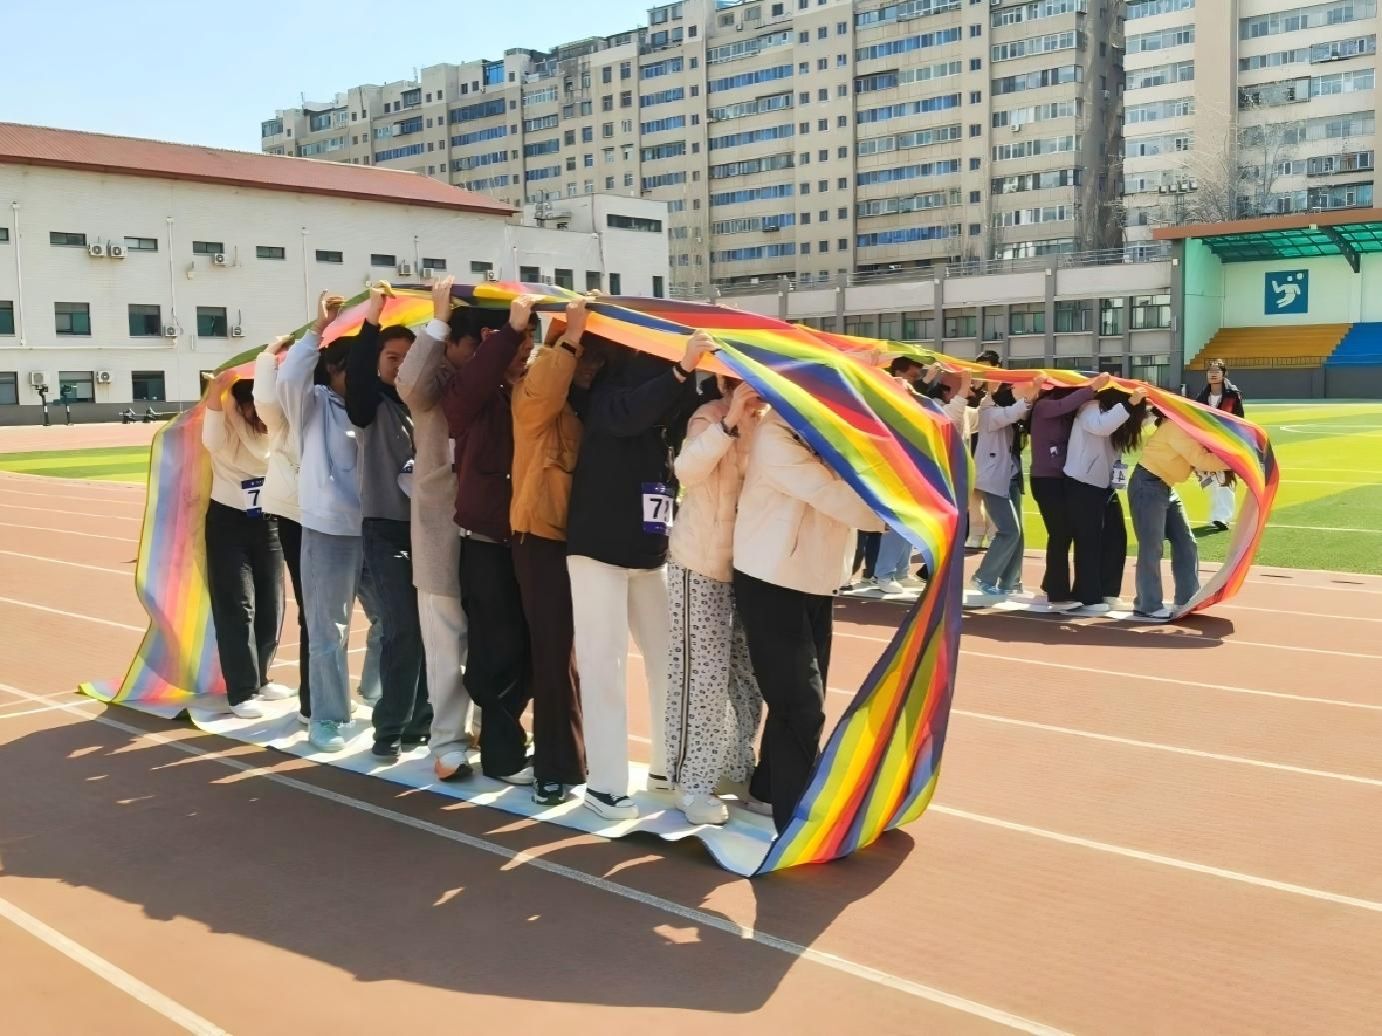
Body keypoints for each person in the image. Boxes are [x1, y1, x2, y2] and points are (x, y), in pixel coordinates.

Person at [565, 332, 706, 820]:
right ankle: (605, 785)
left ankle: (666, 767)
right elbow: (628, 413)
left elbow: (684, 417)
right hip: (597, 550)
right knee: (604, 665)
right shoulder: (608, 390)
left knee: (669, 659)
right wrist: (680, 371)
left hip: (649, 552)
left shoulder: (667, 405)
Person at [733, 409, 885, 832]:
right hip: (770, 579)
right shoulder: (775, 434)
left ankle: (768, 789)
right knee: (801, 703)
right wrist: (900, 517)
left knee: (796, 699)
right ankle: (797, 815)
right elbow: (830, 494)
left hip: (817, 581)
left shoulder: (830, 433)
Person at [441, 294, 540, 784]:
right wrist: (508, 333)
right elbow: (473, 384)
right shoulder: (471, 394)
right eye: (520, 345)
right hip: (484, 541)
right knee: (496, 651)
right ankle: (502, 757)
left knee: (528, 651)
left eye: (529, 346)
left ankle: (505, 737)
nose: (526, 355)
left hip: (526, 539)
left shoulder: (524, 392)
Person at [510, 294, 604, 806]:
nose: (586, 364)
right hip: (539, 538)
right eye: (579, 355)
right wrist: (569, 337)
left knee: (572, 656)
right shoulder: (534, 402)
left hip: (579, 542)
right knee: (553, 656)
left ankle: (572, 757)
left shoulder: (582, 409)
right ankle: (556, 764)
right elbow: (546, 384)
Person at [664, 359, 766, 826]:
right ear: (727, 382)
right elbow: (686, 471)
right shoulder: (708, 417)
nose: (757, 392)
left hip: (749, 568)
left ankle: (733, 768)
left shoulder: (769, 425)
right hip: (699, 563)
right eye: (747, 382)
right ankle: (691, 784)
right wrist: (730, 422)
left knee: (747, 678)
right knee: (700, 680)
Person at [394, 276, 478, 782]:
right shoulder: (433, 384)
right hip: (438, 529)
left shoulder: (496, 382)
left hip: (489, 530)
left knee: (493, 636)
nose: (483, 354)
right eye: (475, 344)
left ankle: (492, 729)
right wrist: (438, 320)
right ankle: (448, 742)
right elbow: (408, 383)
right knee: (445, 644)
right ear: (452, 345)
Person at [345, 287, 431, 762]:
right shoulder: (370, 406)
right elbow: (359, 377)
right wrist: (372, 320)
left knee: (433, 631)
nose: (399, 366)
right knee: (403, 629)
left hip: (430, 532)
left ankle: (421, 723)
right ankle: (389, 730)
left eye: (408, 358)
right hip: (385, 529)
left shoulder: (426, 405)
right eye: (391, 357)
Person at [277, 292, 364, 753]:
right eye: (354, 369)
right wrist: (318, 329)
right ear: (332, 369)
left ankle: (379, 692)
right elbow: (290, 377)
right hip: (329, 531)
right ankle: (327, 718)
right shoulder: (312, 405)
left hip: (377, 528)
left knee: (397, 621)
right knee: (329, 629)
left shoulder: (378, 405)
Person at [201, 370, 289, 719]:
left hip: (269, 520)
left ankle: (262, 677)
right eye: (254, 407)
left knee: (271, 603)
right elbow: (211, 436)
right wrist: (216, 391)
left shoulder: (274, 428)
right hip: (228, 522)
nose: (261, 416)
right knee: (238, 606)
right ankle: (241, 690)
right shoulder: (224, 425)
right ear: (240, 405)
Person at [862, 363, 970, 595]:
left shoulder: (923, 406)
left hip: (921, 471)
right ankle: (883, 574)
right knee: (899, 523)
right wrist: (964, 385)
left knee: (914, 523)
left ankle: (900, 571)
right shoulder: (903, 411)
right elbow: (948, 417)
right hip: (900, 470)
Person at [253, 337, 311, 719]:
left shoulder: (327, 406)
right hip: (295, 516)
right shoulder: (281, 418)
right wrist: (268, 356)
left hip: (338, 516)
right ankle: (313, 703)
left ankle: (330, 696)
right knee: (313, 611)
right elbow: (265, 400)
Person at [1127, 414, 1230, 620]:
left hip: (1165, 485)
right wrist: (1234, 461)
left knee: (1185, 541)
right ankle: (1148, 605)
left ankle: (1187, 598)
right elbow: (1200, 459)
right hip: (1148, 484)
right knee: (1152, 545)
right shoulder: (1176, 427)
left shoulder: (1184, 428)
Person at [1026, 373, 1111, 610]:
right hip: (1046, 480)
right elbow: (1065, 404)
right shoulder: (1044, 406)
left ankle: (1052, 584)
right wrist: (1092, 388)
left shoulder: (1066, 411)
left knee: (1065, 533)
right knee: (1060, 534)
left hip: (1061, 479)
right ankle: (1058, 595)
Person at [1064, 386, 1149, 612]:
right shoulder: (1090, 408)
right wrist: (1130, 404)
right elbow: (1102, 426)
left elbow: (1140, 421)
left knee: (1116, 537)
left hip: (1105, 485)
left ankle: (1108, 591)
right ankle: (1087, 596)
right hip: (1082, 482)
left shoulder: (1117, 413)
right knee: (1089, 541)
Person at [969, 379, 1038, 600]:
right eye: (1012, 390)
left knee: (1018, 534)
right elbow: (1009, 414)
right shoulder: (988, 411)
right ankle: (984, 577)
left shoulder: (1005, 409)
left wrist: (1030, 396)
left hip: (1011, 477)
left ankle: (1010, 582)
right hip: (994, 480)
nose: (1015, 394)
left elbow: (1018, 414)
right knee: (1009, 531)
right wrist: (1028, 397)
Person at [1195, 360, 1244, 530]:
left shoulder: (1233, 394)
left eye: (1216, 370)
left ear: (1224, 374)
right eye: (1210, 371)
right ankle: (1215, 516)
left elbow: (1239, 420)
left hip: (1226, 443)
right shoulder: (1201, 397)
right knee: (1212, 481)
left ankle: (1222, 517)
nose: (1213, 374)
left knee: (1225, 479)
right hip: (1207, 444)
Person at [965, 349, 1003, 550]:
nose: (982, 372)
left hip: (993, 451)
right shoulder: (971, 389)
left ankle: (994, 534)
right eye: (978, 368)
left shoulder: (1003, 390)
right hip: (972, 449)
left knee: (991, 494)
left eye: (986, 368)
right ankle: (976, 533)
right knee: (973, 496)